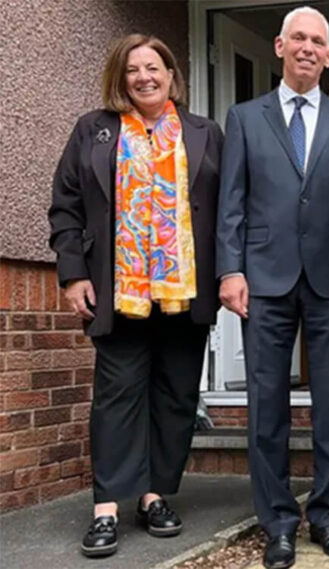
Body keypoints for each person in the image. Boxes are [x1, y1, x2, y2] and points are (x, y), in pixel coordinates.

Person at [48, 34, 223, 558]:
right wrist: (73, 274)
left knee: (175, 396)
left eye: (154, 67)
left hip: (184, 291)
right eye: (133, 70)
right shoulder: (95, 131)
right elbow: (66, 207)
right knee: (119, 395)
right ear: (120, 79)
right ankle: (107, 506)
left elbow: (229, 209)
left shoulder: (204, 133)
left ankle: (154, 496)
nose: (144, 77)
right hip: (118, 292)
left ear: (172, 74)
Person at [216, 6, 329, 568]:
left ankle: (328, 516)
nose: (309, 48)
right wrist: (230, 270)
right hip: (263, 278)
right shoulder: (244, 118)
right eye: (299, 39)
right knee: (267, 405)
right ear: (280, 46)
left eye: (319, 41)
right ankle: (279, 523)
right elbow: (230, 202)